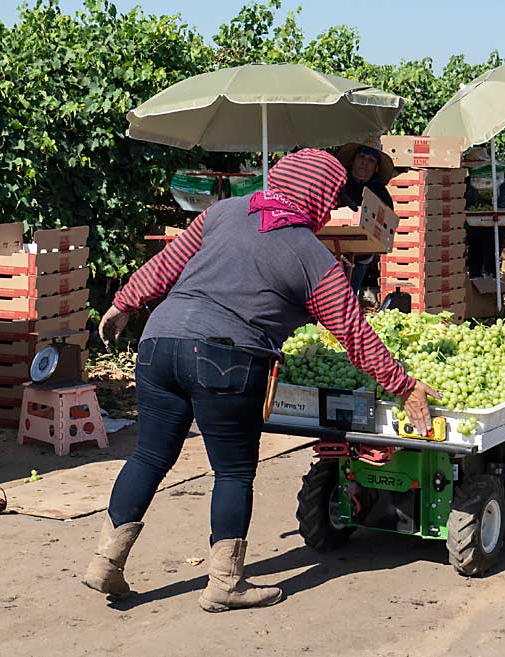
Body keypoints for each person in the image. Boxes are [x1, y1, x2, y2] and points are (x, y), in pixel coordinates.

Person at [86, 149, 438, 612]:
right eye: (330, 199)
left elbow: (168, 264)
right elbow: (354, 332)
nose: (329, 210)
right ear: (318, 196)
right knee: (233, 471)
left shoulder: (224, 212)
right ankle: (225, 584)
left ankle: (105, 561)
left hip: (158, 344)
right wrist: (404, 385)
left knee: (149, 456)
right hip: (226, 358)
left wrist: (124, 302)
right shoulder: (310, 256)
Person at [336, 142, 396, 293]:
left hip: (361, 256)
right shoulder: (339, 183)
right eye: (361, 157)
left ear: (376, 167)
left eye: (371, 160)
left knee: (349, 296)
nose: (364, 163)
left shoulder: (378, 190)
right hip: (332, 251)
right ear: (353, 160)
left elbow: (388, 222)